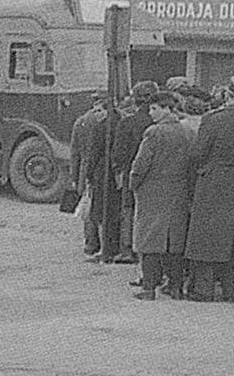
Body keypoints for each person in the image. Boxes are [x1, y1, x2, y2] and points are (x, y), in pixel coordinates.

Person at [184, 75, 234, 301]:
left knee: (206, 236)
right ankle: (230, 290)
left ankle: (203, 289)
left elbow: (197, 153)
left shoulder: (213, 119)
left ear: (228, 95)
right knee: (233, 236)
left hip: (212, 180)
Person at [128, 91, 194, 300]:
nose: (150, 113)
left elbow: (140, 164)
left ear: (167, 109)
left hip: (152, 193)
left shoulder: (153, 133)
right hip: (178, 192)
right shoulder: (187, 132)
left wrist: (133, 184)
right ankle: (175, 287)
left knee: (149, 242)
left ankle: (148, 288)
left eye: (154, 108)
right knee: (174, 243)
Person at [111, 80, 160, 264]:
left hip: (131, 172)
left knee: (128, 210)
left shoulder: (128, 122)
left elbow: (118, 153)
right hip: (155, 175)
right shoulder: (158, 122)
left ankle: (127, 249)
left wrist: (120, 169)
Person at [68, 92, 108, 259]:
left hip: (85, 168)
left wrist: (74, 176)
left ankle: (90, 243)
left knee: (88, 208)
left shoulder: (81, 121)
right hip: (98, 168)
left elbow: (75, 152)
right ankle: (101, 244)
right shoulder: (104, 121)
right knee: (98, 208)